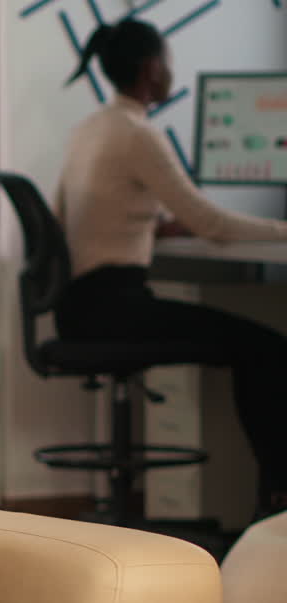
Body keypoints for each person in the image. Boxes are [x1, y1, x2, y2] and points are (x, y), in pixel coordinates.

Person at [55, 18, 287, 521]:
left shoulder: (89, 129)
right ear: (151, 68)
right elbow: (210, 222)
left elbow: (73, 218)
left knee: (256, 346)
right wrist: (281, 230)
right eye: (167, 61)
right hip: (116, 305)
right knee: (268, 349)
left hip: (83, 305)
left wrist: (155, 229)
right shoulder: (138, 134)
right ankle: (276, 502)